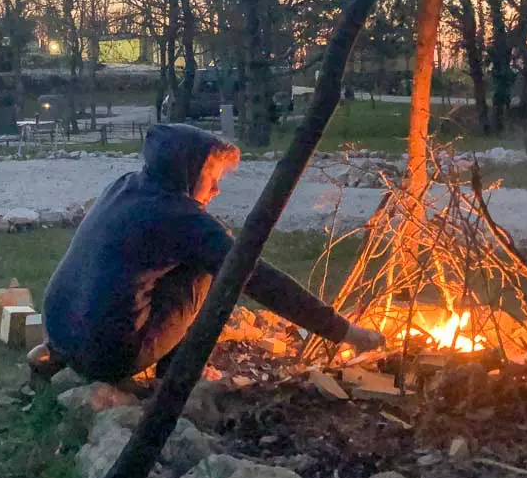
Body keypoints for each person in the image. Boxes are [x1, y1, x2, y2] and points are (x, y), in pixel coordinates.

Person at [29, 123, 384, 384]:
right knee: (215, 266)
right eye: (211, 176)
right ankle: (175, 376)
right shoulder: (181, 220)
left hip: (60, 331)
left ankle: (60, 359)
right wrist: (342, 331)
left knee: (190, 258)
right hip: (111, 356)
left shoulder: (125, 185)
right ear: (187, 171)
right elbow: (260, 279)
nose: (215, 189)